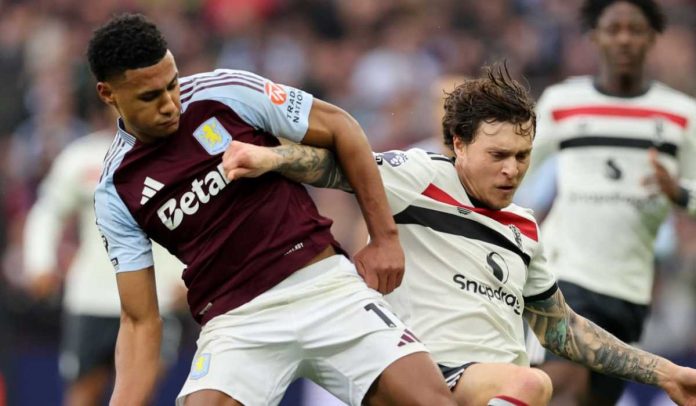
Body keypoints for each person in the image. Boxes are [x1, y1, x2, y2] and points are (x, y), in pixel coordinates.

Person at [221, 64, 696, 406]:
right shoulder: (421, 176)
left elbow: (562, 328)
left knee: (532, 383)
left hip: (490, 388)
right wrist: (270, 158)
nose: (513, 170)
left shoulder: (525, 228)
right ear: (459, 145)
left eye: (524, 156)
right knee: (533, 385)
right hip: (423, 376)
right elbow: (338, 166)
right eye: (498, 155)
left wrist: (666, 372)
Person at [87, 13, 455, 406]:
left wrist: (384, 237)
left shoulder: (224, 91)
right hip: (236, 323)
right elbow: (141, 321)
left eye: (172, 84)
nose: (170, 104)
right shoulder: (115, 188)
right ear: (109, 94)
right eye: (150, 96)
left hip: (324, 286)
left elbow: (342, 127)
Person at [522, 1, 696, 404]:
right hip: (563, 275)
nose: (623, 38)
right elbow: (516, 163)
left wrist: (678, 192)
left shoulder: (681, 115)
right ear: (594, 36)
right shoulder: (562, 102)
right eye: (613, 28)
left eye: (634, 29)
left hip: (630, 291)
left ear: (651, 38)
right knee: (557, 389)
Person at [22, 117, 187, 406]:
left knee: (138, 395)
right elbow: (47, 212)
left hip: (157, 297)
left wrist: (190, 276)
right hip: (91, 297)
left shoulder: (178, 152)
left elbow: (197, 217)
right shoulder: (82, 157)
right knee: (84, 394)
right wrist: (40, 264)